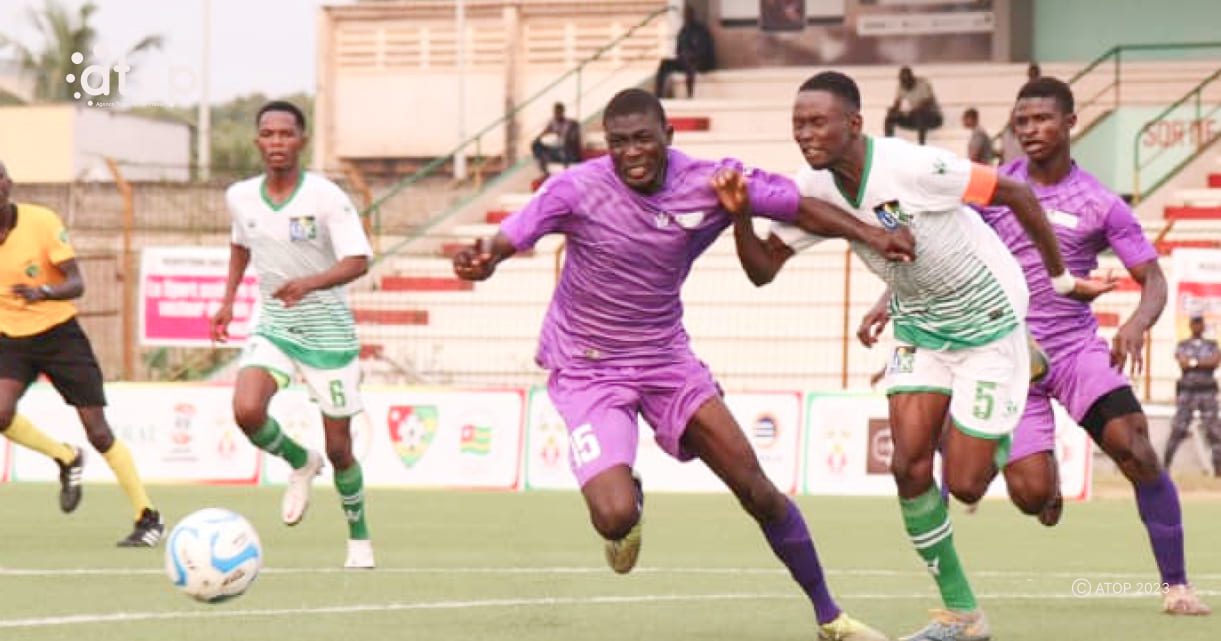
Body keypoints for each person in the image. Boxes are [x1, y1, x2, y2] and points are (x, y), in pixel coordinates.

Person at [452, 87, 914, 641]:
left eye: (642, 139)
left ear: (668, 136)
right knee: (615, 515)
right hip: (588, 366)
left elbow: (800, 205)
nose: (631, 153)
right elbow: (512, 235)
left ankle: (829, 616)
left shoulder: (712, 180)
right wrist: (486, 259)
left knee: (757, 489)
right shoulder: (576, 188)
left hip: (666, 359)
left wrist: (870, 233)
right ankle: (629, 494)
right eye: (618, 143)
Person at [731, 71, 1103, 641]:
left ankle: (1019, 373)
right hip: (919, 327)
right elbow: (762, 270)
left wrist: (1058, 279)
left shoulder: (910, 165)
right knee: (907, 467)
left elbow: (1017, 192)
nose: (804, 134)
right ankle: (963, 615)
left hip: (988, 324)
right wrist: (737, 215)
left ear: (853, 123)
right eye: (797, 124)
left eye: (817, 122)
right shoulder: (815, 190)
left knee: (967, 485)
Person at [865, 76, 1211, 616]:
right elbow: (934, 248)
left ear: (1070, 123)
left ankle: (1177, 586)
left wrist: (1136, 325)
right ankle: (1035, 475)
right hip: (1005, 354)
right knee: (1032, 498)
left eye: (1042, 119)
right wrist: (890, 299)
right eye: (1022, 122)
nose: (1030, 130)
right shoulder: (991, 187)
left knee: (1136, 447)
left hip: (1075, 351)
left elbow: (1155, 279)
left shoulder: (1100, 202)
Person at [210, 101, 376, 569]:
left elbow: (359, 260)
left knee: (341, 449)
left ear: (301, 141)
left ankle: (359, 537)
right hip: (277, 326)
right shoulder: (241, 196)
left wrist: (310, 282)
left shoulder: (326, 197)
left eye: (286, 134)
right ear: (257, 141)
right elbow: (242, 242)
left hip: (329, 337)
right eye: (268, 134)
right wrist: (227, 300)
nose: (277, 142)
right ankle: (300, 461)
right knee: (246, 410)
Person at [0, 160, 163, 547]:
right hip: (10, 339)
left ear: (8, 183)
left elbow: (77, 282)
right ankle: (64, 457)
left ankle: (148, 518)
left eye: (0, 177)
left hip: (60, 335)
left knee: (99, 431)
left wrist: (45, 292)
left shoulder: (40, 221)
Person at [1165, 313, 1221, 474]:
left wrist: (1193, 362)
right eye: (1195, 323)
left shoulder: (1212, 345)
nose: (1197, 326)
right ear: (1190, 326)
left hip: (1207, 392)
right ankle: (1164, 467)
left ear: (1203, 326)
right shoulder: (1183, 344)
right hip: (1187, 392)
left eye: (1200, 323)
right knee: (1178, 429)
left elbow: (1214, 362)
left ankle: (1218, 470)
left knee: (1214, 431)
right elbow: (1182, 363)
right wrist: (1200, 363)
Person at [653, 5, 715, 99]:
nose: (687, 17)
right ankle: (659, 94)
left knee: (690, 65)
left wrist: (692, 55)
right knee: (665, 64)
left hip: (700, 62)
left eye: (689, 14)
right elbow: (678, 50)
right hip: (684, 61)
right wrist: (682, 55)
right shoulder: (683, 31)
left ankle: (690, 95)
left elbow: (705, 50)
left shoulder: (701, 30)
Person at [884, 66, 943, 145]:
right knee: (890, 118)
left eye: (907, 82)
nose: (905, 85)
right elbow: (897, 103)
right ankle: (888, 144)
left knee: (920, 114)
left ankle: (921, 146)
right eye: (903, 82)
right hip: (914, 117)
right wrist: (893, 110)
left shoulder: (923, 84)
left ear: (912, 79)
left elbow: (928, 103)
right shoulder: (901, 86)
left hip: (932, 118)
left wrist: (910, 112)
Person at [998, 63, 1042, 164]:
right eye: (1030, 74)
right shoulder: (1025, 90)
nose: (1032, 76)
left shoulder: (1042, 90)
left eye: (1034, 74)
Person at [531, 102, 582, 177]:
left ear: (562, 112)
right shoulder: (553, 122)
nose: (557, 114)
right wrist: (536, 140)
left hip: (568, 150)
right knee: (536, 145)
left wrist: (563, 137)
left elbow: (572, 140)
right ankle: (544, 169)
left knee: (561, 148)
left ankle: (564, 169)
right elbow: (545, 131)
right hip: (557, 148)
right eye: (555, 112)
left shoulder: (570, 124)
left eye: (559, 112)